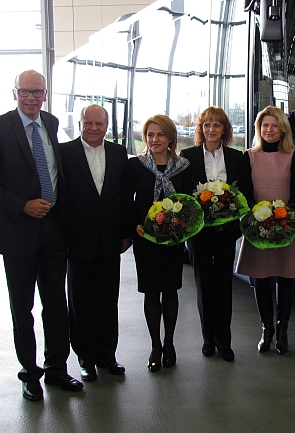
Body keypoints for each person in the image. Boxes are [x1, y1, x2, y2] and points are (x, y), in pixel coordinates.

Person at [0, 70, 83, 401]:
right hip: (17, 232)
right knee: (23, 306)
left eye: (38, 92)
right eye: (26, 92)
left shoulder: (49, 123)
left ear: (45, 94)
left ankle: (57, 369)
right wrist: (22, 205)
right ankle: (30, 373)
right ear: (15, 93)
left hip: (52, 230)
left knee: (55, 303)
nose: (32, 97)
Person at [60, 104, 132, 382]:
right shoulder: (65, 153)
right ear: (79, 124)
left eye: (98, 124)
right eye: (87, 123)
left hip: (110, 240)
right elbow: (61, 197)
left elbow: (124, 197)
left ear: (106, 126)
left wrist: (126, 233)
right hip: (77, 240)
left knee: (107, 299)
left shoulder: (117, 152)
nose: (93, 128)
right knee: (79, 301)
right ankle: (85, 358)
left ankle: (107, 355)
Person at [236, 106, 295, 354]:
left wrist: (283, 218)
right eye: (265, 125)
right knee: (261, 278)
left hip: (284, 224)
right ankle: (267, 329)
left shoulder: (293, 155)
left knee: (285, 277)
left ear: (282, 130)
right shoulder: (249, 155)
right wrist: (257, 219)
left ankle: (283, 329)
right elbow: (245, 192)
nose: (269, 130)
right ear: (259, 129)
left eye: (274, 125)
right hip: (257, 226)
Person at [124, 114, 191, 372]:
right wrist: (135, 226)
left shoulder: (183, 166)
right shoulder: (136, 166)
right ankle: (155, 345)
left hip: (173, 240)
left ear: (171, 137)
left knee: (171, 291)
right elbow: (126, 201)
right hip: (146, 239)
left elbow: (190, 202)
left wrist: (184, 225)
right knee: (151, 292)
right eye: (150, 135)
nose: (155, 139)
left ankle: (170, 343)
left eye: (160, 134)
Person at [181, 107, 243, 362]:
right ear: (201, 129)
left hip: (227, 231)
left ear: (224, 130)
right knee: (204, 284)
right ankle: (208, 339)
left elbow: (244, 193)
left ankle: (224, 340)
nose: (211, 129)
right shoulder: (188, 157)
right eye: (207, 125)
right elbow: (184, 194)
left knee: (223, 285)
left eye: (217, 125)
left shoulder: (237, 157)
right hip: (199, 232)